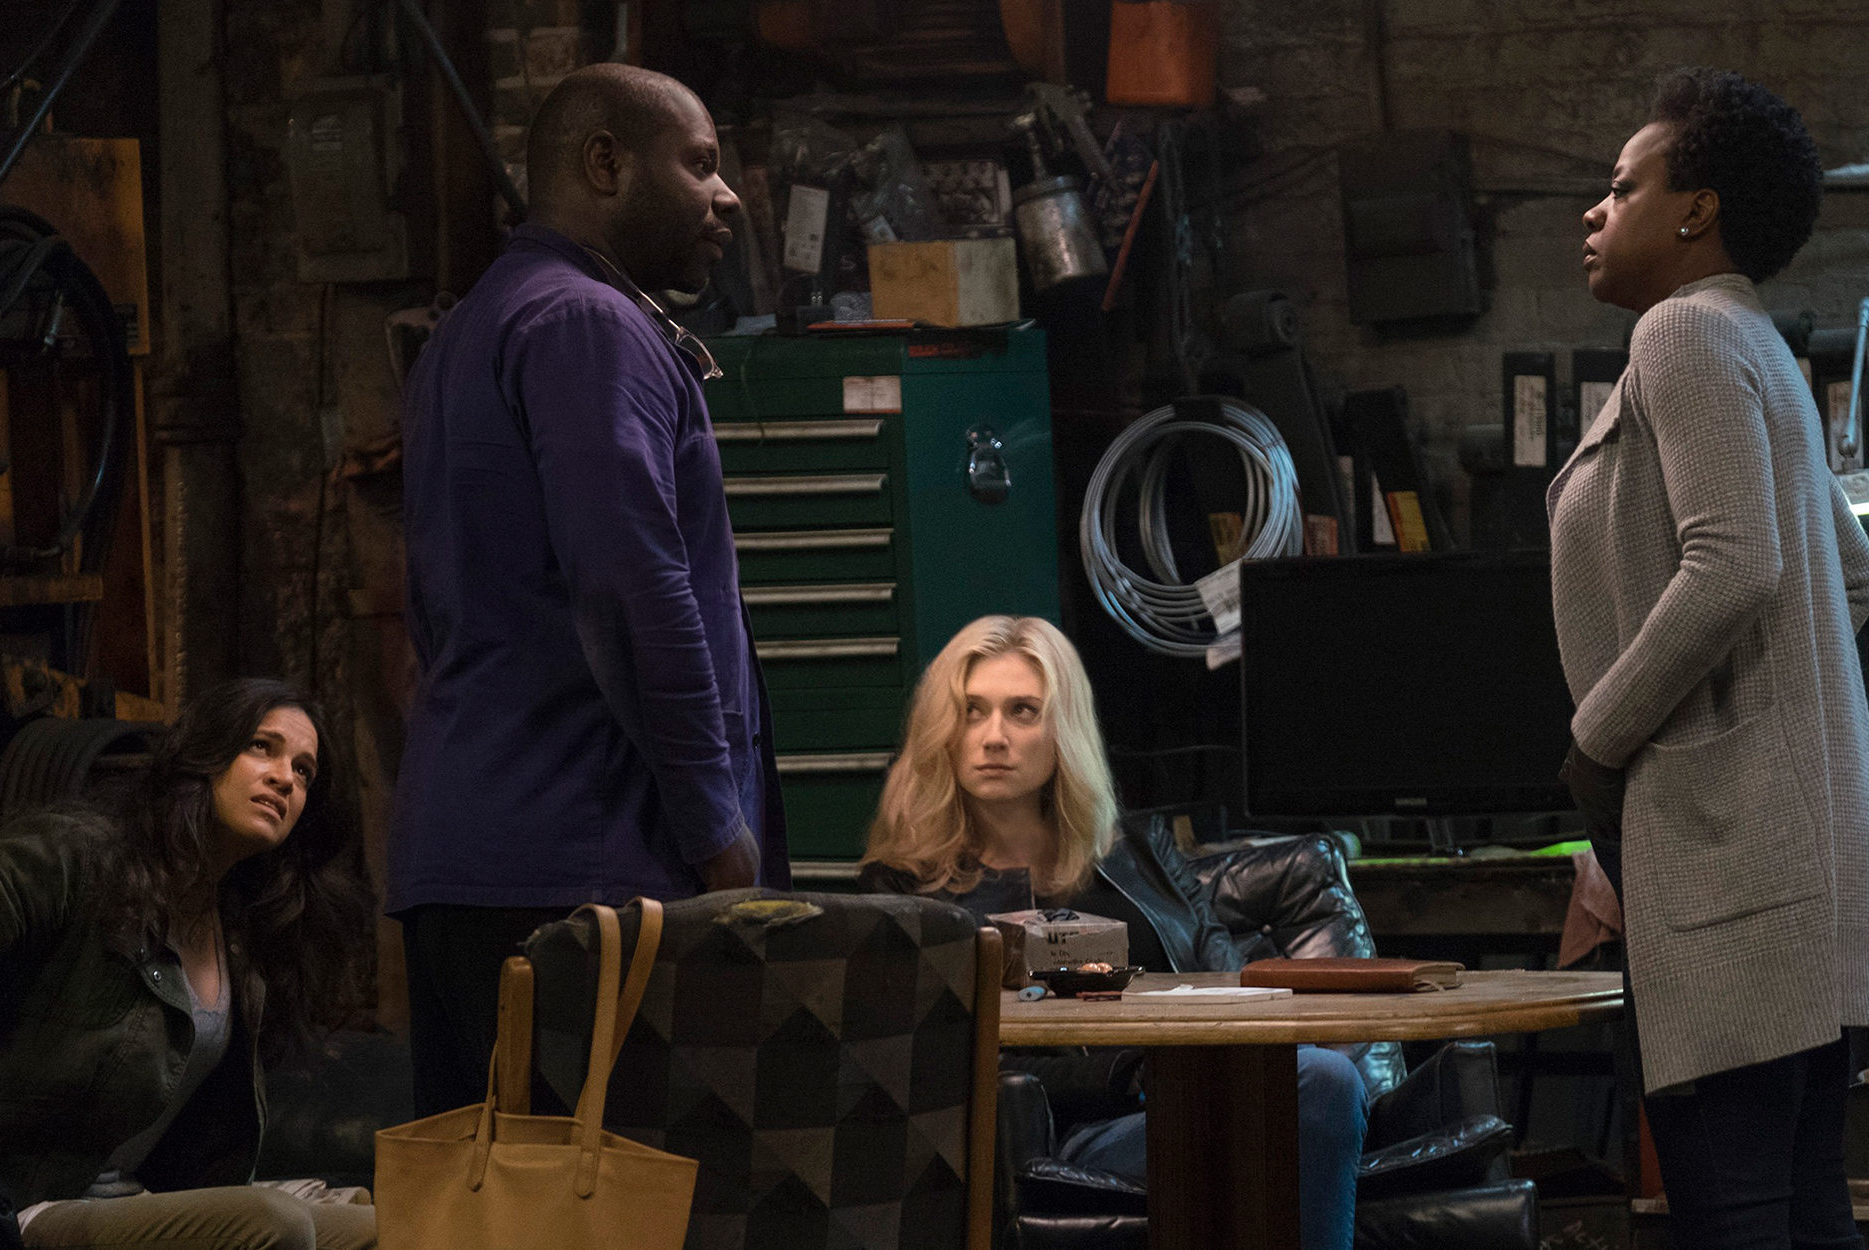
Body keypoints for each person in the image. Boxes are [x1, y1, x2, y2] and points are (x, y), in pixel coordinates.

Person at [389, 61, 789, 1117]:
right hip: (585, 873)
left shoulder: (470, 329)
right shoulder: (586, 325)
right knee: (630, 1195)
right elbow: (632, 587)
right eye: (699, 164)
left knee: (491, 1193)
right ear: (605, 164)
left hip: (476, 858)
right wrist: (718, 832)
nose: (727, 196)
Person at [1553, 67, 1869, 1249]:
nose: (1596, 210)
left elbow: (1733, 564)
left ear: (1697, 210)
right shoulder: (1760, 346)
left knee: (1733, 1221)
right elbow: (1851, 575)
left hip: (1728, 868)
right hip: (1800, 873)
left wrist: (1599, 740)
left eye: (1623, 186)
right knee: (1804, 1213)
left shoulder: (1681, 330)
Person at [859, 616, 1367, 1250]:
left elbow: (1232, 983)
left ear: (1063, 729)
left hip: (1196, 1098)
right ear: (942, 730)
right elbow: (932, 1061)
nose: (993, 738)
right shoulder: (904, 888)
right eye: (971, 712)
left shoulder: (1137, 853)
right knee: (1318, 1086)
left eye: (1022, 711)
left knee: (1328, 1079)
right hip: (1054, 1135)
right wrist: (1126, 1071)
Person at [0, 679, 374, 1250]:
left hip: (140, 1201)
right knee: (276, 1223)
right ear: (205, 752)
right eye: (261, 747)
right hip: (27, 1202)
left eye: (304, 770)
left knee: (391, 1227)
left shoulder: (238, 928)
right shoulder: (76, 854)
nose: (285, 778)